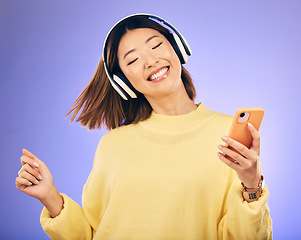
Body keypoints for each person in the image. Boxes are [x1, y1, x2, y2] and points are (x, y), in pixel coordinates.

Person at [16, 14, 272, 239]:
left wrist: (252, 186)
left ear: (178, 49)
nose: (150, 61)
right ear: (123, 82)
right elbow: (90, 234)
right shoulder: (114, 144)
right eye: (132, 60)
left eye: (157, 45)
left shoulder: (229, 134)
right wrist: (49, 195)